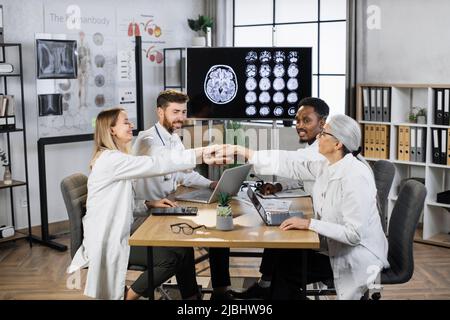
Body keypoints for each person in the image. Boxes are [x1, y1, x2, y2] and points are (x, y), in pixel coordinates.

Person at [67, 107, 227, 300]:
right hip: (107, 242)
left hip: (117, 233)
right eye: (125, 122)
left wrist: (149, 204)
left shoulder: (114, 158)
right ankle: (128, 296)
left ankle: (191, 299)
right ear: (111, 130)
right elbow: (155, 164)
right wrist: (201, 153)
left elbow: (115, 204)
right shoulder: (110, 160)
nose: (131, 125)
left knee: (183, 248)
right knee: (170, 259)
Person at [227, 114, 390, 299]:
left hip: (355, 255)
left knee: (286, 269)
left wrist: (309, 224)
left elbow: (353, 235)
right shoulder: (328, 165)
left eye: (324, 133)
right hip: (335, 246)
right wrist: (249, 154)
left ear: (338, 144)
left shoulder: (355, 177)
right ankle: (271, 292)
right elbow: (292, 165)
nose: (319, 137)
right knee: (282, 256)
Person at [132, 90, 233, 300]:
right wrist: (203, 153)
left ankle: (220, 292)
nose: (181, 117)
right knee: (185, 243)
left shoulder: (174, 139)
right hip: (145, 216)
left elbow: (184, 174)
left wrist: (212, 183)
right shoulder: (146, 140)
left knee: (219, 234)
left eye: (184, 111)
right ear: (160, 112)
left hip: (168, 207)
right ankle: (191, 297)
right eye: (175, 111)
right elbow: (167, 161)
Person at [233, 97, 330, 299]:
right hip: (325, 223)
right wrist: (279, 185)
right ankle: (265, 284)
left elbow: (296, 163)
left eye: (306, 120)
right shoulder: (314, 147)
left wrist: (247, 153)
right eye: (297, 120)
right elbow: (305, 174)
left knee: (282, 242)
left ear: (323, 123)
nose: (299, 126)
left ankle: (272, 288)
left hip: (333, 242)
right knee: (279, 225)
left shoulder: (324, 152)